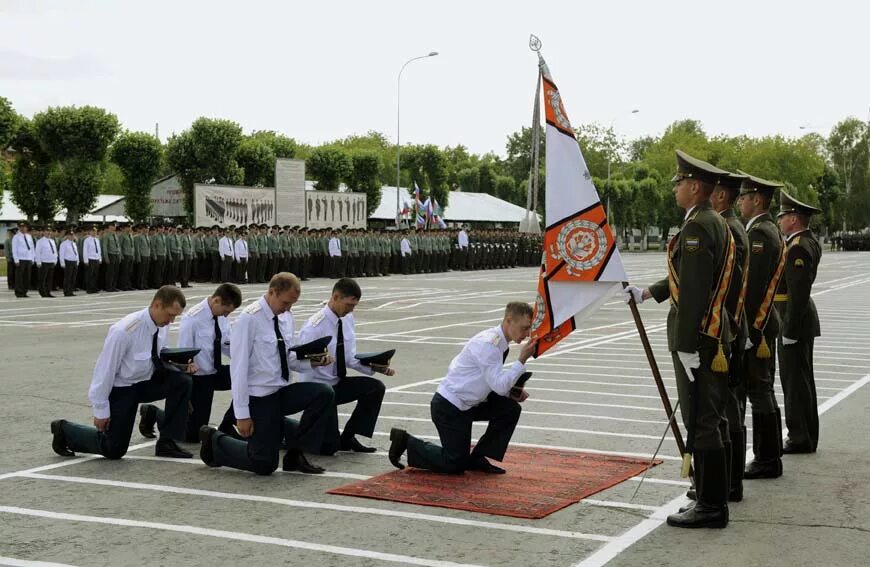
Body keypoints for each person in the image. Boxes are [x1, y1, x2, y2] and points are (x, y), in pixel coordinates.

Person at [624, 150, 735, 529]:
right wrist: (650, 292)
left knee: (701, 420)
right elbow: (690, 278)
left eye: (678, 183)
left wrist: (687, 343)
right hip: (711, 334)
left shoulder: (697, 227)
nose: (674, 189)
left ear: (694, 186)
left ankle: (710, 505)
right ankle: (710, 497)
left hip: (699, 338)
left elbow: (693, 291)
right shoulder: (712, 221)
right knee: (710, 418)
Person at [198, 273, 335, 475]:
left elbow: (286, 357)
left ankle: (295, 454)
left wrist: (312, 362)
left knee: (324, 393)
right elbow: (238, 369)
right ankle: (214, 441)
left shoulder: (285, 316)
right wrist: (242, 414)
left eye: (292, 303)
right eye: (286, 302)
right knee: (264, 463)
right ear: (272, 292)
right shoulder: (249, 319)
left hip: (281, 390)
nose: (288, 308)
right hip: (260, 397)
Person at [388, 301, 535, 475]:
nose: (528, 334)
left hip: (469, 404)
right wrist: (521, 360)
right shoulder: (489, 344)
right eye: (525, 328)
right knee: (455, 464)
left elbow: (491, 379)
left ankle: (478, 457)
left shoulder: (500, 343)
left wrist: (513, 391)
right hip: (450, 408)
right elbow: (499, 386)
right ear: (509, 320)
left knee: (510, 409)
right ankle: (406, 442)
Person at [50, 286, 195, 460]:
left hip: (146, 381)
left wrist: (180, 364)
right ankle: (65, 431)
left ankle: (167, 442)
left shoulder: (160, 325)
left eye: (175, 317)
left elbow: (156, 354)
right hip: (123, 389)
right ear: (157, 305)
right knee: (114, 448)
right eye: (171, 315)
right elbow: (104, 371)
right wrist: (101, 411)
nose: (172, 321)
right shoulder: (124, 331)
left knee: (182, 381)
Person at [297, 278, 392, 455]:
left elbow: (349, 357)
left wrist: (375, 367)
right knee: (328, 448)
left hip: (337, 383)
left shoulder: (347, 319)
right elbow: (301, 366)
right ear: (336, 296)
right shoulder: (313, 327)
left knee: (375, 388)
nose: (351, 310)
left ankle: (348, 436)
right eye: (349, 304)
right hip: (319, 391)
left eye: (354, 305)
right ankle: (289, 433)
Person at [139, 283, 242, 442]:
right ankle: (153, 413)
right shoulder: (193, 318)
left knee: (247, 377)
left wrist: (241, 359)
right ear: (216, 300)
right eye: (226, 310)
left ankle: (229, 424)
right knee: (193, 435)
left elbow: (226, 343)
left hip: (215, 371)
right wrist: (187, 364)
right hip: (198, 376)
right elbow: (183, 350)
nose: (227, 315)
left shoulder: (221, 317)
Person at [737, 170, 787, 480]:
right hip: (766, 322)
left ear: (756, 199)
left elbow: (752, 289)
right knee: (763, 388)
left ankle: (767, 458)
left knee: (758, 389)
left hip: (758, 324)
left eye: (743, 197)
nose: (739, 202)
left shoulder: (759, 235)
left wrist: (745, 330)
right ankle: (771, 455)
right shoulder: (769, 229)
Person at [710, 171, 751, 503]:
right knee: (729, 406)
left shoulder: (728, 228)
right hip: (732, 324)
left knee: (726, 407)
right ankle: (731, 481)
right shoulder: (732, 226)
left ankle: (730, 483)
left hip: (728, 325)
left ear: (721, 196)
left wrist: (731, 330)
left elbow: (732, 289)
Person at [776, 190, 822, 454]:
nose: (780, 220)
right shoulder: (805, 242)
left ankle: (799, 437)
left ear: (794, 219)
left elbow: (798, 293)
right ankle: (806, 434)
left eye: (783, 216)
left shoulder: (798, 247)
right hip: (800, 319)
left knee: (795, 383)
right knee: (802, 381)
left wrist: (789, 329)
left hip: (795, 320)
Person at [11, 222, 35, 298]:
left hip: (28, 259)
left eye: (24, 227)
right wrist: (16, 260)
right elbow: (14, 249)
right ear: (19, 227)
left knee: (27, 277)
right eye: (21, 227)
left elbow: (32, 248)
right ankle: (19, 292)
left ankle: (24, 292)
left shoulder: (29, 236)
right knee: (19, 277)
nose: (23, 228)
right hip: (20, 259)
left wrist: (32, 258)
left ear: (27, 228)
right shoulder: (16, 237)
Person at [35, 226, 59, 298]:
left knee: (49, 279)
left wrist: (55, 260)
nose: (49, 232)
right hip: (44, 262)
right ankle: (42, 292)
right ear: (43, 232)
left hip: (51, 261)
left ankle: (48, 292)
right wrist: (38, 262)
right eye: (47, 231)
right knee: (43, 278)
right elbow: (37, 252)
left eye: (50, 231)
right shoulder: (40, 241)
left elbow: (54, 251)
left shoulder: (52, 241)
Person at [59, 229, 80, 297]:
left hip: (74, 261)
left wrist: (77, 260)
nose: (71, 236)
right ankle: (66, 291)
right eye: (70, 235)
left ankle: (71, 290)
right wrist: (62, 263)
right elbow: (61, 254)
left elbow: (76, 253)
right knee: (68, 277)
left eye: (72, 235)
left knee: (73, 278)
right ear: (67, 236)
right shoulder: (64, 244)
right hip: (68, 261)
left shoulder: (74, 243)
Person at [82, 226, 102, 294]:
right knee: (90, 275)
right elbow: (85, 250)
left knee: (95, 275)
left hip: (96, 258)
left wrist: (100, 258)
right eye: (93, 231)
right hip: (90, 259)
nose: (94, 232)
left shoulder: (97, 240)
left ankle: (94, 288)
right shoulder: (87, 240)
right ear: (90, 232)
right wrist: (86, 260)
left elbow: (99, 250)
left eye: (95, 231)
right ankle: (89, 288)